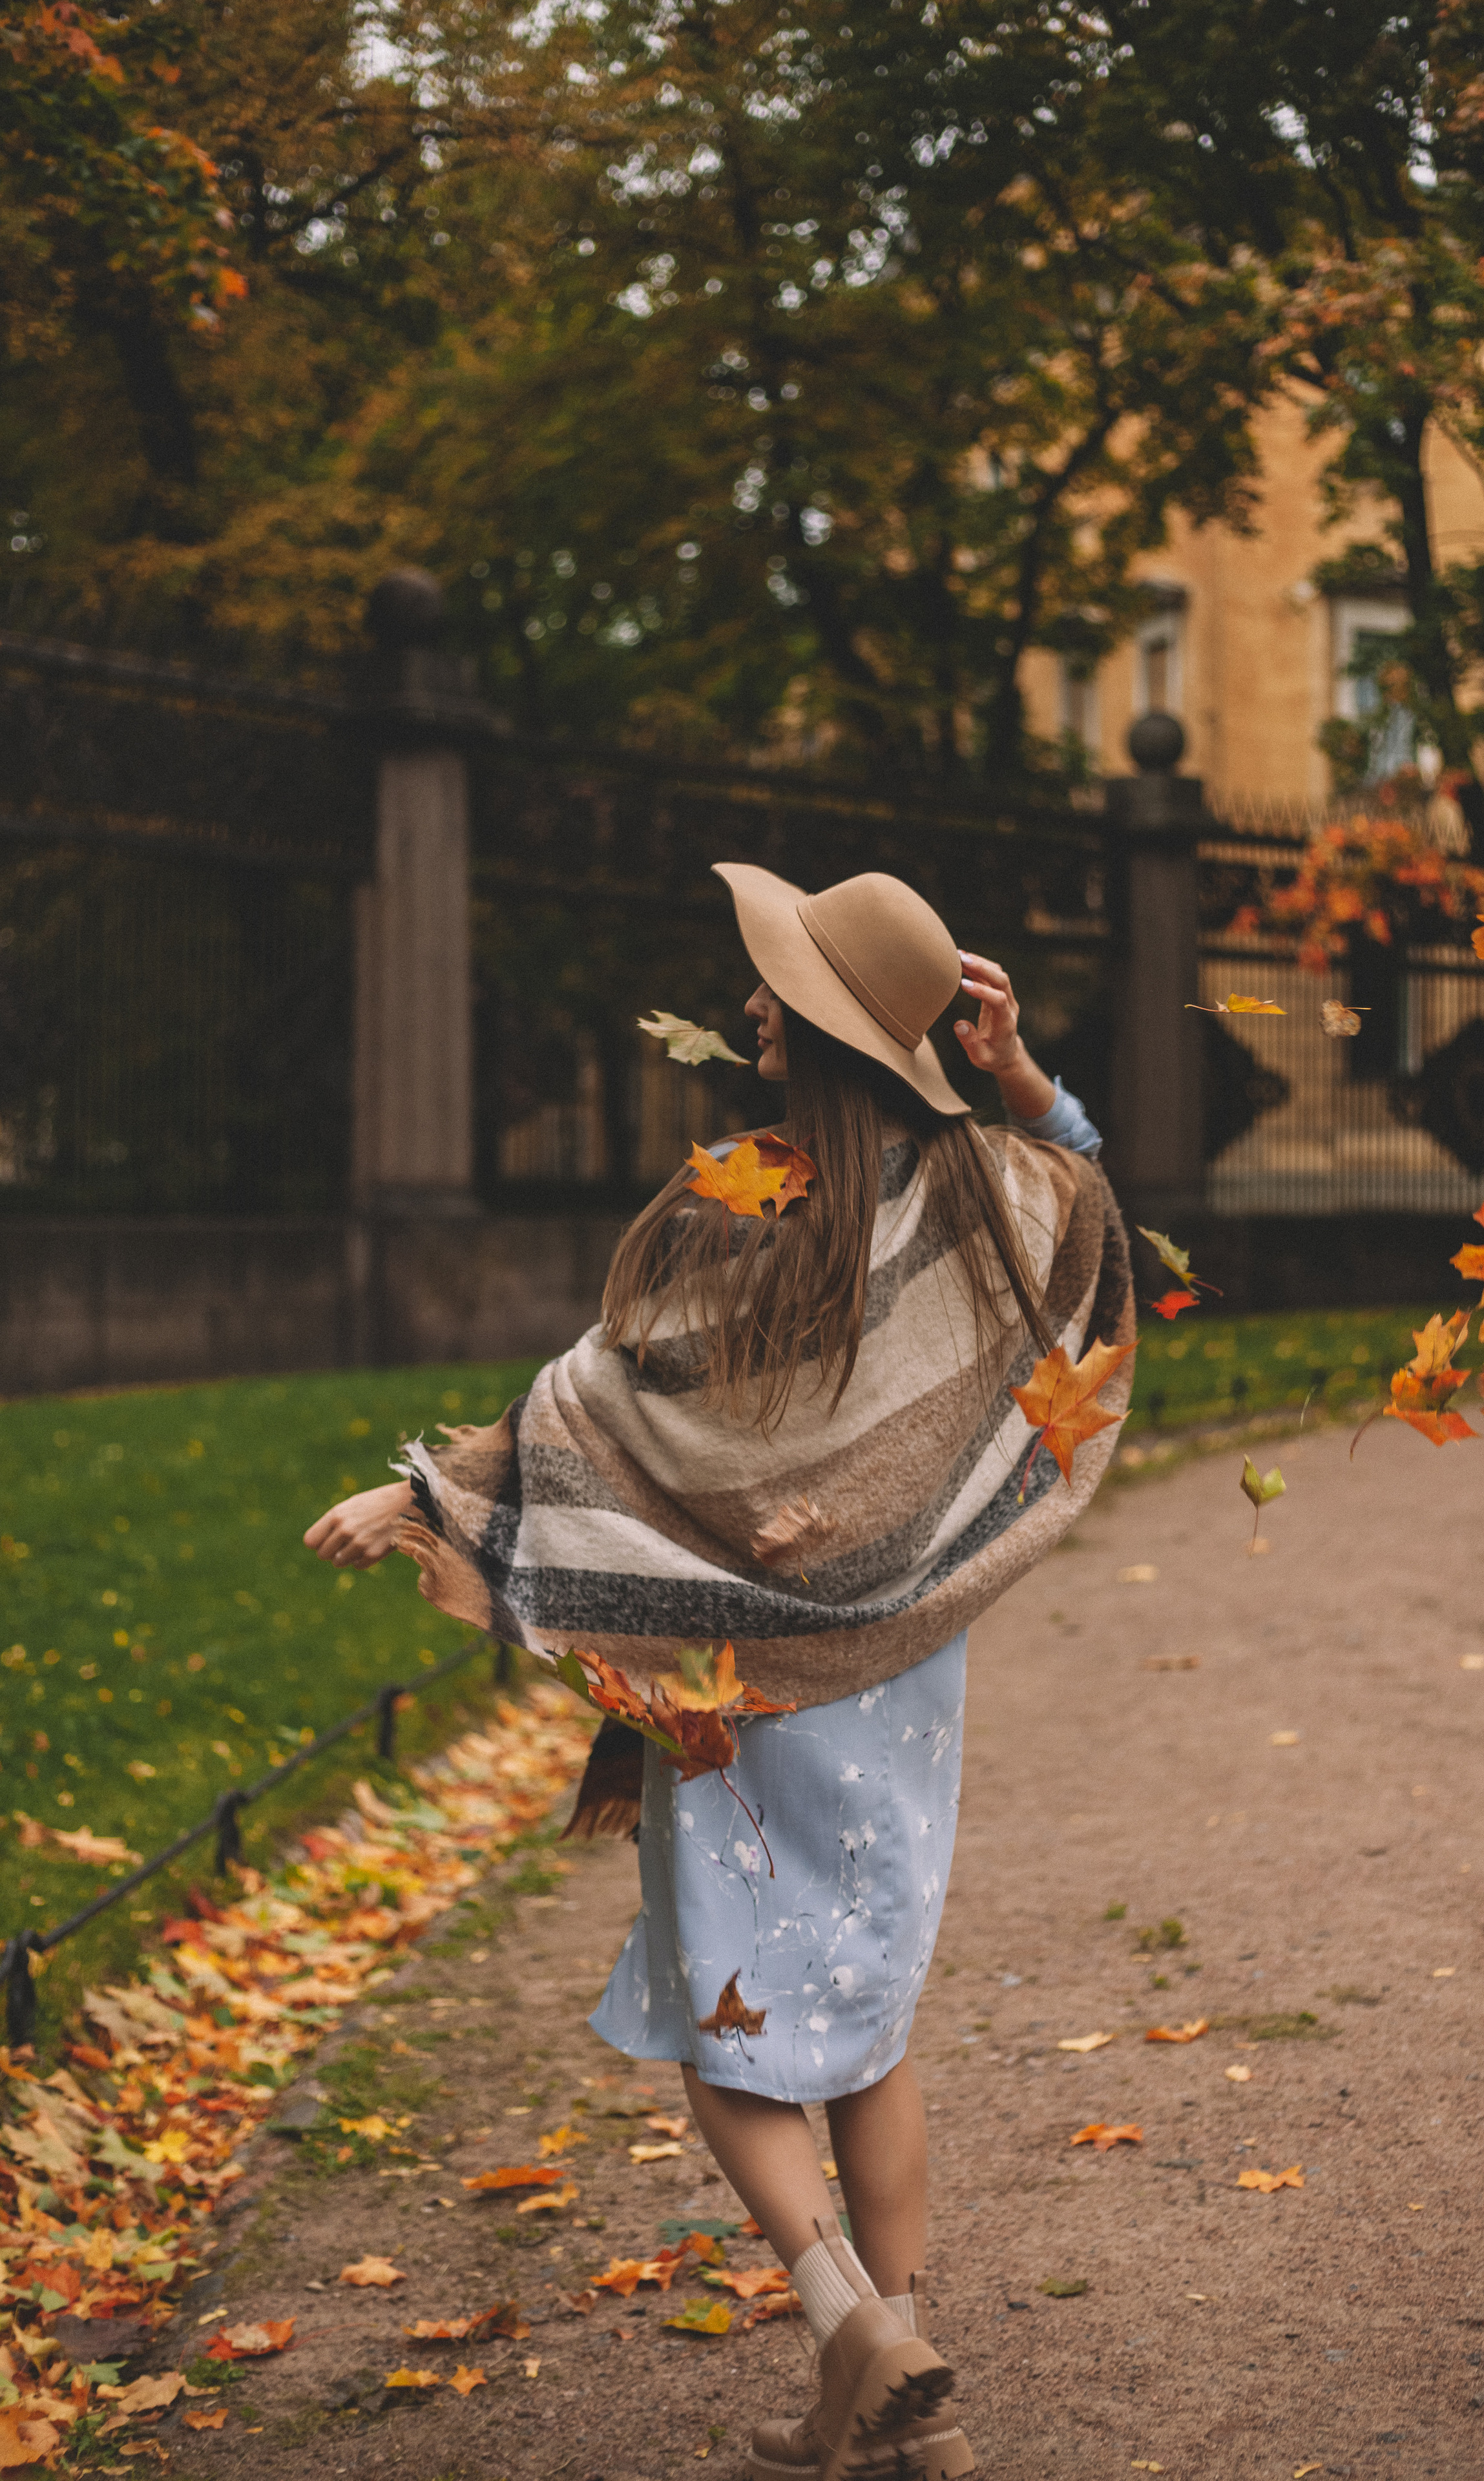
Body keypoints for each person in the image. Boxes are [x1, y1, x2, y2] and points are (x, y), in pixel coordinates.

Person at [304, 866, 1134, 2481]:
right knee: (870, 2032)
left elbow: (601, 1415)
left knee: (726, 2026)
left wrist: (426, 1493)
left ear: (816, 1028)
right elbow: (1091, 1220)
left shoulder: (749, 1205)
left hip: (735, 1695)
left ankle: (854, 2328)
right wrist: (1024, 1082)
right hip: (900, 1679)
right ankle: (909, 2416)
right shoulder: (991, 1195)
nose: (748, 1000)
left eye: (772, 985)